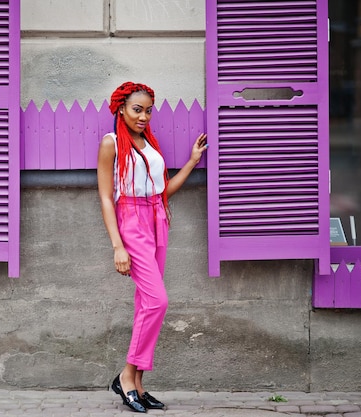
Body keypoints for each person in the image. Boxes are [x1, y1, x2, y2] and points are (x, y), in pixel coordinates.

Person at [97, 81, 207, 413]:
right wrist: (117, 245)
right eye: (137, 109)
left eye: (148, 110)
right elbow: (105, 197)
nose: (144, 116)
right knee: (158, 300)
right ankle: (127, 375)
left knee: (148, 304)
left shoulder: (149, 144)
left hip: (157, 219)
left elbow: (162, 193)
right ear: (121, 108)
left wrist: (191, 162)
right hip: (130, 221)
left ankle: (138, 384)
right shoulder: (111, 143)